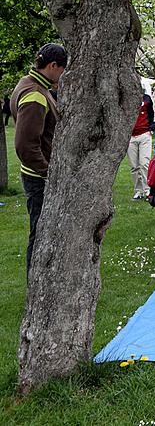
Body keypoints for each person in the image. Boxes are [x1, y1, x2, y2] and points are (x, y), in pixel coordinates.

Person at [10, 42, 68, 273]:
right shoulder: (35, 94)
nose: (62, 76)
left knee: (42, 233)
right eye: (62, 70)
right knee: (40, 234)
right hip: (38, 179)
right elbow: (25, 146)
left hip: (39, 175)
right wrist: (49, 173)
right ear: (53, 65)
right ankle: (36, 286)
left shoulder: (31, 83)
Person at [128, 88, 155, 200]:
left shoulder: (146, 98)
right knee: (134, 166)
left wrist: (152, 127)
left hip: (144, 134)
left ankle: (147, 190)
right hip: (131, 137)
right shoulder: (127, 99)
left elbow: (152, 113)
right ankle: (138, 191)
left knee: (144, 163)